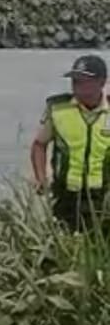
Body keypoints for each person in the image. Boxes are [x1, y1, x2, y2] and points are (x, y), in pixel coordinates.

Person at [31, 53, 110, 231]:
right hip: (67, 196)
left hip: (103, 197)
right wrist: (41, 178)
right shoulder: (59, 109)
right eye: (75, 81)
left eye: (84, 81)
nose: (78, 87)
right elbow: (39, 145)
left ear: (102, 82)